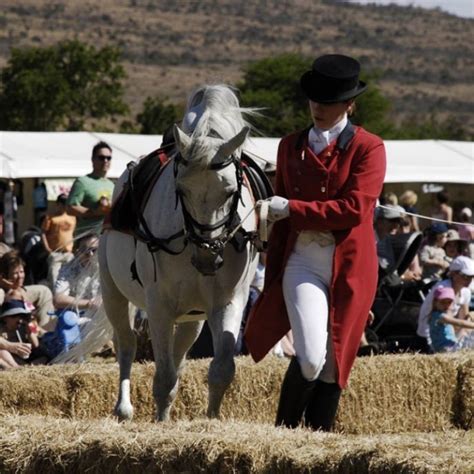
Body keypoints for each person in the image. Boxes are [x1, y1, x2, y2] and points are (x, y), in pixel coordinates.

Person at [244, 54, 386, 431]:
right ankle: (285, 435)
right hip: (303, 260)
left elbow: (354, 209)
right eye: (315, 100)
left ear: (349, 104)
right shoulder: (289, 146)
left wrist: (291, 208)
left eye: (329, 102)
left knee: (335, 364)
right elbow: (277, 210)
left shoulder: (369, 147)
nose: (318, 108)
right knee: (309, 357)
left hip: (350, 265)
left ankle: (318, 443)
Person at [417, 256, 474, 350]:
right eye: (465, 276)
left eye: (471, 277)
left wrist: (470, 318)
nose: (469, 280)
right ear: (453, 274)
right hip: (429, 337)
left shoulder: (466, 292)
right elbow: (459, 322)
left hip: (449, 334)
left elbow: (463, 318)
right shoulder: (443, 288)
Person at [67, 141, 114, 236]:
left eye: (108, 158)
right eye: (101, 157)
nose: (105, 161)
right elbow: (70, 208)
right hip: (86, 238)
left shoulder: (112, 185)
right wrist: (95, 212)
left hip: (108, 239)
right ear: (93, 159)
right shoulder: (83, 182)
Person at [0, 251, 54, 330]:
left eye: (21, 272)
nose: (20, 276)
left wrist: (17, 289)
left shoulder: (19, 290)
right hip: (7, 297)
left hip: (19, 292)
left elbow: (25, 301)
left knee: (44, 291)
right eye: (15, 273)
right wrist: (5, 284)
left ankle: (45, 331)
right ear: (5, 275)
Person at [41, 193, 76, 288]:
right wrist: (48, 249)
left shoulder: (73, 217)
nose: (64, 206)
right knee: (54, 279)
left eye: (66, 203)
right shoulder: (50, 217)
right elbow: (43, 233)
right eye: (62, 203)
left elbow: (74, 233)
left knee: (70, 279)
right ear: (58, 204)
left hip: (68, 253)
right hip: (55, 253)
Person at [429, 286, 474, 353]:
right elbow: (460, 323)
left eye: (449, 302)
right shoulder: (440, 316)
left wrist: (468, 320)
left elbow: (456, 331)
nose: (446, 305)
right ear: (435, 302)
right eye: (443, 302)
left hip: (451, 346)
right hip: (447, 349)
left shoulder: (444, 315)